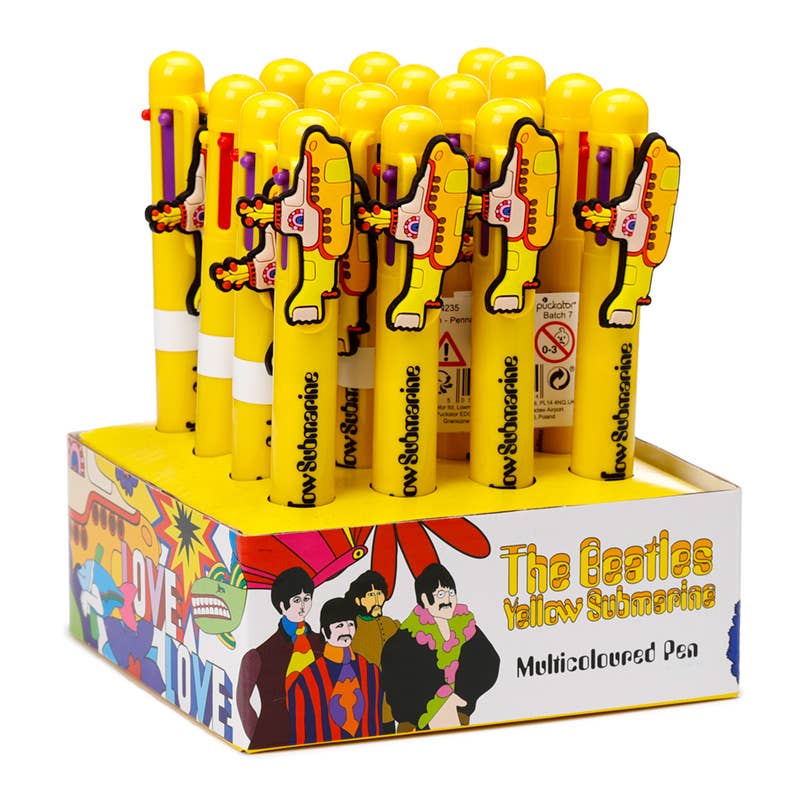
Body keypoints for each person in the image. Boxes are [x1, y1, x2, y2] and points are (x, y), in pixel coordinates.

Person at [381, 563, 500, 732]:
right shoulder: (405, 639)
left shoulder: (465, 625)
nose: (447, 600)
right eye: (440, 594)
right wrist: (434, 708)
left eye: (451, 593)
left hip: (458, 714)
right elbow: (396, 684)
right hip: (418, 723)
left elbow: (490, 662)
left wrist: (462, 697)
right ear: (424, 599)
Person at [236, 567, 324, 750]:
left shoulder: (321, 644)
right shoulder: (259, 655)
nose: (302, 606)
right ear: (282, 605)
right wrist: (260, 734)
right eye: (296, 600)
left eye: (307, 598)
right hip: (275, 740)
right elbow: (242, 700)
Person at [288, 597, 383, 743]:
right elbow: (300, 737)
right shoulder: (306, 681)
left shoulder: (371, 673)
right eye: (339, 626)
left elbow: (376, 724)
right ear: (325, 632)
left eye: (350, 624)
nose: (347, 630)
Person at [344, 570, 399, 733]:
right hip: (362, 707)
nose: (376, 600)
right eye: (370, 595)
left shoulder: (391, 624)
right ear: (358, 600)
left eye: (379, 594)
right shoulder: (351, 628)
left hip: (389, 707)